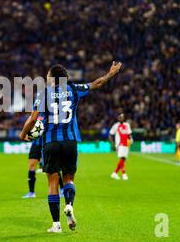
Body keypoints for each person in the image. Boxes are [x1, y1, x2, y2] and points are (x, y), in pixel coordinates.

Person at [19, 61, 122, 233]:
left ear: (52, 79)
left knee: (52, 183)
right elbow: (97, 83)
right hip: (70, 141)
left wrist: (23, 135)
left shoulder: (44, 94)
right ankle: (69, 205)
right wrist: (110, 73)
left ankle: (56, 225)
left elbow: (32, 119)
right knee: (69, 179)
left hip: (50, 142)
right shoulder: (74, 89)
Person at [23, 129, 64, 199]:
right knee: (31, 166)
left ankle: (62, 189)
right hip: (35, 145)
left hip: (47, 144)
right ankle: (31, 192)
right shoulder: (33, 118)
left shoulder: (49, 118)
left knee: (53, 167)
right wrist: (26, 134)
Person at [109, 113, 133, 180]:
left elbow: (129, 134)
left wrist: (131, 139)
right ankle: (123, 173)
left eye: (122, 117)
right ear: (118, 118)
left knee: (123, 159)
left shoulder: (127, 125)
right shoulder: (116, 125)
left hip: (126, 144)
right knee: (122, 158)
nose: (121, 118)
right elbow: (110, 134)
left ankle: (115, 173)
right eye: (120, 117)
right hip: (119, 144)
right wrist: (112, 143)